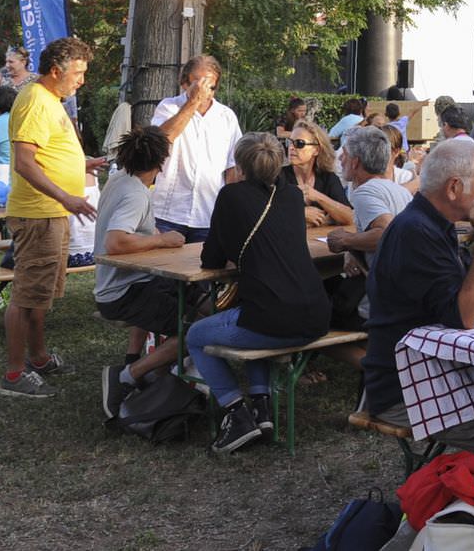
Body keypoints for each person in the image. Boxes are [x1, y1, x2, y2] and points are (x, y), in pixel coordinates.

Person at [361, 136, 474, 468]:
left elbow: (446, 301)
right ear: (454, 188)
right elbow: (463, 316)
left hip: (438, 369)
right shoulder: (416, 231)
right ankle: (446, 500)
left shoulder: (431, 223)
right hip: (406, 388)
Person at [191, 133, 334, 453]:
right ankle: (261, 406)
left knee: (196, 336)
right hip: (317, 314)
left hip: (275, 320)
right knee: (253, 311)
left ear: (240, 167)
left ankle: (236, 413)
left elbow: (210, 259)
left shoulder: (231, 196)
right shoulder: (293, 196)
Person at [0, 35, 105, 399]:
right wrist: (66, 197)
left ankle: (39, 358)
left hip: (53, 212)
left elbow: (47, 153)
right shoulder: (34, 101)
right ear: (56, 70)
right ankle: (14, 375)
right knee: (26, 295)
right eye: (78, 73)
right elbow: (25, 163)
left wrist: (83, 162)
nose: (82, 80)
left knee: (40, 293)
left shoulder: (51, 99)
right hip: (38, 213)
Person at [93, 127, 189, 417]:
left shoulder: (119, 179)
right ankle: (129, 375)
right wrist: (162, 239)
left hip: (122, 285)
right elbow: (115, 240)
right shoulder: (136, 193)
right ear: (161, 162)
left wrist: (153, 235)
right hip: (123, 292)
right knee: (193, 331)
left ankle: (138, 362)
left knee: (186, 297)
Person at [149, 53, 242, 242]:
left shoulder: (227, 116)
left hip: (208, 213)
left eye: (211, 86)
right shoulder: (169, 107)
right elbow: (161, 140)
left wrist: (231, 207)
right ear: (185, 83)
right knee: (164, 268)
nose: (205, 91)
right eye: (199, 83)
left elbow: (232, 166)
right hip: (168, 212)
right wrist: (192, 103)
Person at [328, 125, 412, 270]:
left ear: (355, 162)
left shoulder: (365, 191)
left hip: (389, 287)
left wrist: (345, 240)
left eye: (345, 154)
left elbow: (386, 233)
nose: (340, 158)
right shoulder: (401, 191)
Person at [280, 117, 353, 228]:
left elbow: (349, 217)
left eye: (299, 143)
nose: (291, 148)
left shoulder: (328, 178)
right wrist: (300, 213)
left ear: (316, 150)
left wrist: (317, 196)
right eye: (289, 142)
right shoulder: (278, 177)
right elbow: (264, 212)